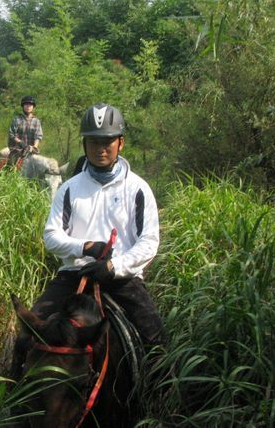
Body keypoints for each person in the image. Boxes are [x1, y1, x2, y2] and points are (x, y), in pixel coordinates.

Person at [11, 102, 166, 379]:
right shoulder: (69, 188)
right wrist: (83, 247)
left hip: (122, 280)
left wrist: (114, 266)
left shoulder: (138, 188)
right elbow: (51, 235)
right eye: (93, 141)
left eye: (107, 141)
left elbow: (149, 241)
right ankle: (13, 400)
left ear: (121, 142)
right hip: (74, 275)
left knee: (156, 341)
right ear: (85, 144)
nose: (100, 148)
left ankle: (158, 404)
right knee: (27, 336)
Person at [7, 95, 43, 166]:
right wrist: (21, 142)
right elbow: (11, 134)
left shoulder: (36, 121)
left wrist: (34, 147)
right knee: (12, 166)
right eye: (26, 105)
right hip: (17, 149)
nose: (28, 107)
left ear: (33, 107)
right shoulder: (17, 119)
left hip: (30, 150)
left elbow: (38, 136)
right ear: (23, 106)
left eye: (30, 105)